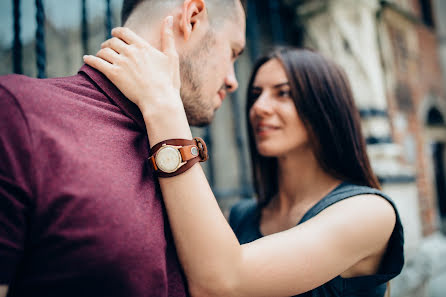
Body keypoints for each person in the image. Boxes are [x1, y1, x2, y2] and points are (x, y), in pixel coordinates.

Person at [84, 20, 404, 297]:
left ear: (325, 110)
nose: (259, 108)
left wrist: (164, 104)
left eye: (284, 93)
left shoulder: (370, 213)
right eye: (256, 95)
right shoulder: (243, 216)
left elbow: (223, 281)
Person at [0, 0, 246, 296]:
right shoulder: (16, 114)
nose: (233, 81)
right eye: (232, 52)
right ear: (191, 18)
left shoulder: (175, 149)